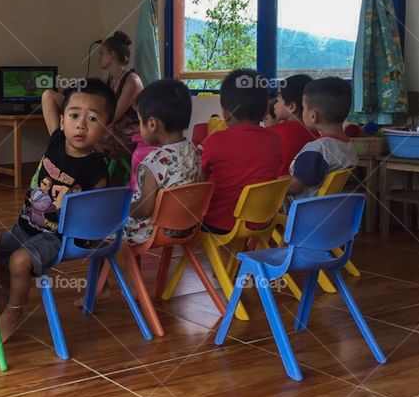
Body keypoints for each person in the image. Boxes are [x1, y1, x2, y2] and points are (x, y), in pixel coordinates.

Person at [0, 79, 114, 344]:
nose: (80, 125)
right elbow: (47, 96)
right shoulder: (56, 138)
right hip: (24, 225)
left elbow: (94, 218)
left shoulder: (96, 170)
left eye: (92, 119)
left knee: (19, 261)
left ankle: (14, 311)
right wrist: (70, 98)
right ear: (63, 118)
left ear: (105, 130)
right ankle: (5, 290)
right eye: (74, 115)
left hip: (56, 237)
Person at [40, 31, 144, 166]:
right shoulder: (109, 80)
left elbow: (111, 117)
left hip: (123, 137)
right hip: (105, 129)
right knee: (49, 96)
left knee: (78, 135)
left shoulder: (132, 81)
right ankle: (57, 141)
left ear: (112, 55)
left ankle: (69, 161)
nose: (98, 57)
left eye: (102, 53)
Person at [199, 69, 283, 233]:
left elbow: (199, 181)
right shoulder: (275, 139)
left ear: (225, 113)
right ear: (265, 111)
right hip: (261, 220)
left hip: (218, 224)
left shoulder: (214, 141)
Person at [123, 79, 200, 245]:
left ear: (151, 123)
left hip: (155, 230)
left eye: (139, 121)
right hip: (185, 226)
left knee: (109, 226)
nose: (138, 128)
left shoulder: (154, 162)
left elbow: (144, 209)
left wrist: (123, 210)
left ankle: (124, 270)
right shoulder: (192, 150)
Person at [288, 76, 359, 200]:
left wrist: (276, 185)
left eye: (304, 108)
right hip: (327, 209)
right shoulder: (348, 145)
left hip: (303, 212)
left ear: (313, 116)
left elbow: (295, 186)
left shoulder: (316, 150)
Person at [269, 74, 316, 175]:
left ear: (291, 106)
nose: (274, 105)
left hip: (280, 186)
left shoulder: (274, 133)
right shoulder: (316, 134)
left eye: (278, 100)